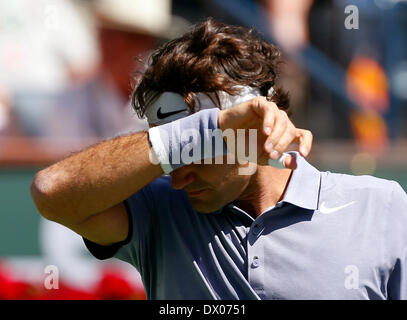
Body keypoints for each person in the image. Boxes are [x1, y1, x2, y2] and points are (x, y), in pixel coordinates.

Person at [30, 19, 407, 300]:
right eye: (174, 154)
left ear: (252, 129)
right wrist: (208, 128)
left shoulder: (382, 205)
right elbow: (50, 190)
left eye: (195, 153)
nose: (178, 179)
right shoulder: (158, 208)